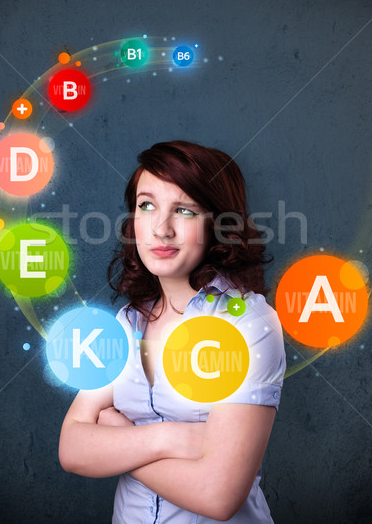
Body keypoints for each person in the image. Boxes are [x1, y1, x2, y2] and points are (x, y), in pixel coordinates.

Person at [59, 140, 287, 523]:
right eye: (146, 205)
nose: (161, 229)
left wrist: (120, 439)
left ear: (219, 224)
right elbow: (71, 449)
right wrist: (170, 438)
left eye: (184, 210)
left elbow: (218, 496)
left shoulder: (249, 323)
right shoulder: (127, 323)